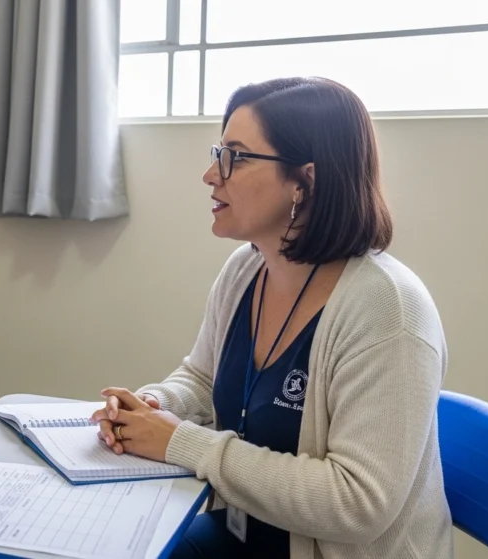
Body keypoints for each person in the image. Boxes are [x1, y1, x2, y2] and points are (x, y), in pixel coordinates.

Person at [91, 77, 453, 558]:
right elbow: (202, 378)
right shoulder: (246, 268)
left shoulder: (389, 311)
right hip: (248, 535)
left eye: (236, 157)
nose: (211, 174)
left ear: (305, 180)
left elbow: (358, 503)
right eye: (218, 152)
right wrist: (153, 406)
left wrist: (180, 443)